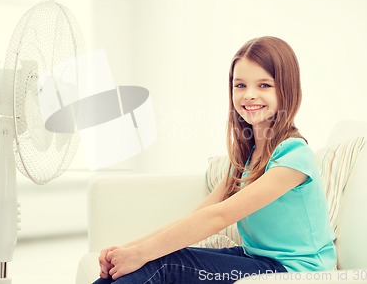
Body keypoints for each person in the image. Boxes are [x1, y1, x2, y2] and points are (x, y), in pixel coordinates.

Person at [93, 36, 336, 283]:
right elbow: (199, 215)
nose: (249, 95)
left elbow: (218, 217)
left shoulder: (294, 157)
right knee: (150, 261)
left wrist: (140, 253)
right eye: (240, 85)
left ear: (287, 89)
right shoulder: (247, 157)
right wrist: (125, 251)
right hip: (257, 260)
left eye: (264, 85)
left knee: (164, 265)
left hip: (296, 273)